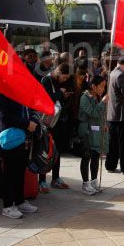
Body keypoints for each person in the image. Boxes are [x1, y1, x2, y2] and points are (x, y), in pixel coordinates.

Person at [0, 90, 39, 219]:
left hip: (24, 136)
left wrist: (34, 120)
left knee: (20, 170)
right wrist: (26, 123)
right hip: (9, 137)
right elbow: (4, 117)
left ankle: (20, 201)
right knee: (9, 172)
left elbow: (29, 108)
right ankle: (7, 206)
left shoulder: (18, 90)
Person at [40, 63, 72, 192]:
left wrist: (63, 95)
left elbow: (58, 99)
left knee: (57, 151)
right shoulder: (46, 80)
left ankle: (56, 178)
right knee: (45, 151)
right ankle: (41, 181)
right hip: (48, 122)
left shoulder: (58, 83)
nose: (65, 80)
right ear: (58, 73)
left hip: (58, 121)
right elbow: (46, 98)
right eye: (64, 77)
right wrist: (60, 93)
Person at [78, 75, 108, 195]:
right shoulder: (84, 98)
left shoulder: (98, 96)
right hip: (86, 131)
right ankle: (85, 183)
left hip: (97, 130)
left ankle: (94, 180)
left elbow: (101, 115)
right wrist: (102, 102)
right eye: (101, 86)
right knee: (87, 156)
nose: (103, 89)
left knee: (96, 155)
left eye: (104, 87)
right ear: (93, 86)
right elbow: (93, 113)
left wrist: (104, 124)